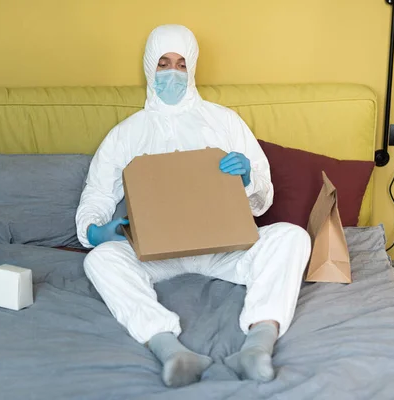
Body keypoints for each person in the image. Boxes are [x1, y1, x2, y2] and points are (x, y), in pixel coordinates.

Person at [75, 24, 311, 388]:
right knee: (99, 259)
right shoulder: (125, 134)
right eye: (164, 63)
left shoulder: (225, 121)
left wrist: (247, 178)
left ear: (193, 67)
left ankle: (258, 344)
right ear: (150, 67)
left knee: (292, 237)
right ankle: (170, 350)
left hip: (223, 248)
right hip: (155, 254)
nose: (172, 72)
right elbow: (96, 197)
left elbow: (264, 199)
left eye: (181, 64)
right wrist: (97, 230)